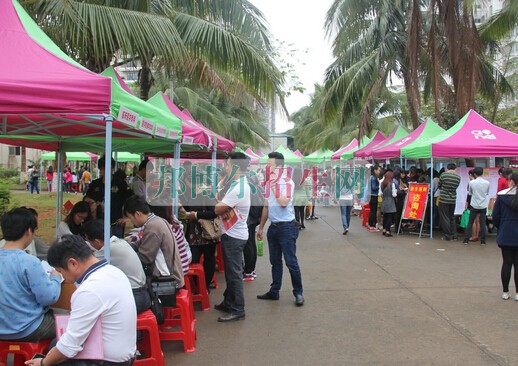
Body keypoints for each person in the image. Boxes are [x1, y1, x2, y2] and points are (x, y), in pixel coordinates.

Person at [27, 235, 137, 366]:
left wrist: (43, 363)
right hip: (124, 354)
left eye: (60, 271)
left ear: (73, 263)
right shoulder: (114, 271)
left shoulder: (89, 290)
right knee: (55, 344)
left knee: (55, 354)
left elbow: (68, 348)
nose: (62, 276)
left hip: (107, 361)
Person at [0, 207, 61, 341]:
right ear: (29, 231)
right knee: (66, 319)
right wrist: (56, 278)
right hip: (27, 329)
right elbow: (49, 298)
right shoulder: (29, 262)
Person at [257, 152, 304, 307]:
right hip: (273, 228)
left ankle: (298, 292)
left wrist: (274, 187)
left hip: (287, 228)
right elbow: (266, 206)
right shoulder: (267, 184)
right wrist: (261, 227)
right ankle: (274, 291)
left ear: (280, 167)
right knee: (275, 261)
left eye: (270, 165)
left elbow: (283, 202)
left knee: (291, 261)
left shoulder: (287, 183)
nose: (267, 168)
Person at [81, 219, 151, 313]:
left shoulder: (108, 249)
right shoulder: (119, 242)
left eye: (89, 241)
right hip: (143, 294)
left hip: (135, 297)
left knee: (95, 308)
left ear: (97, 241)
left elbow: (85, 266)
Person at [213, 152, 251, 322]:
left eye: (227, 165)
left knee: (234, 273)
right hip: (235, 233)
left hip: (234, 235)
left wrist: (221, 205)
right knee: (231, 272)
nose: (225, 168)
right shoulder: (238, 184)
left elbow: (217, 208)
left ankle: (238, 308)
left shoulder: (237, 188)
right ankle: (229, 302)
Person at [123, 195, 184, 288]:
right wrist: (123, 246)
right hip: (171, 276)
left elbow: (144, 258)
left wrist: (125, 258)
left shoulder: (153, 227)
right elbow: (140, 243)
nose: (131, 222)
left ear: (137, 214)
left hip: (168, 281)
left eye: (130, 218)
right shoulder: (157, 220)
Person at [87, 156, 134, 238]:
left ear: (112, 168)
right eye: (102, 168)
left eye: (108, 168)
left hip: (115, 223)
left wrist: (127, 217)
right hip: (98, 222)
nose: (105, 171)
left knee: (116, 246)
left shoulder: (120, 184)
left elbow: (131, 200)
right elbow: (86, 199)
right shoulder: (95, 184)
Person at [493, 173, 518, 300]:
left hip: (506, 233)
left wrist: (501, 227)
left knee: (507, 262)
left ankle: (505, 292)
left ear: (512, 181)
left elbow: (495, 216)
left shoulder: (502, 196)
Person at [463, 167, 490, 245]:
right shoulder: (487, 183)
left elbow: (470, 193)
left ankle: (466, 239)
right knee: (482, 222)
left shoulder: (472, 183)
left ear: (475, 174)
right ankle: (483, 240)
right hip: (483, 205)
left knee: (470, 222)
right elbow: (487, 192)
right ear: (482, 173)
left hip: (474, 204)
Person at [438, 163, 461, 241]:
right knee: (452, 217)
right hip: (453, 199)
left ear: (447, 168)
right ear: (455, 168)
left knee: (445, 218)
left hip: (443, 199)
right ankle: (454, 235)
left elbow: (439, 185)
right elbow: (456, 187)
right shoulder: (458, 177)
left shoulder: (443, 175)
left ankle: (447, 235)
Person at [337, 167, 354, 235]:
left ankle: (345, 227)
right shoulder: (351, 180)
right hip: (349, 198)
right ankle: (347, 226)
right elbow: (353, 190)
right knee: (348, 214)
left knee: (343, 214)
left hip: (342, 198)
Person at [380, 170, 397, 237]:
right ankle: (388, 231)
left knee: (385, 216)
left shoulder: (382, 183)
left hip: (384, 201)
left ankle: (384, 230)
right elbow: (394, 195)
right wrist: (396, 191)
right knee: (389, 217)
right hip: (390, 201)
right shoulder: (391, 184)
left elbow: (380, 193)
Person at [367, 165, 381, 231]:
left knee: (372, 211)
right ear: (375, 170)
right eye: (378, 170)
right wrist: (379, 185)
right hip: (373, 195)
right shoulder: (373, 178)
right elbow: (373, 187)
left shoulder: (371, 177)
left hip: (371, 195)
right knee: (373, 211)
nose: (379, 172)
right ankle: (372, 225)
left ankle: (370, 224)